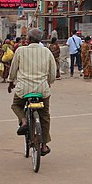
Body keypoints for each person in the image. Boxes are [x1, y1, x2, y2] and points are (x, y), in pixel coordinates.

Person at [8, 28, 56, 156]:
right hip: (42, 89)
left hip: (23, 89)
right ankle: (44, 146)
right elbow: (53, 72)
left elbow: (13, 69)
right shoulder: (46, 51)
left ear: (28, 40)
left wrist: (11, 81)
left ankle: (24, 121)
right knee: (44, 115)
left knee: (16, 105)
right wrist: (49, 81)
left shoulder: (20, 51)